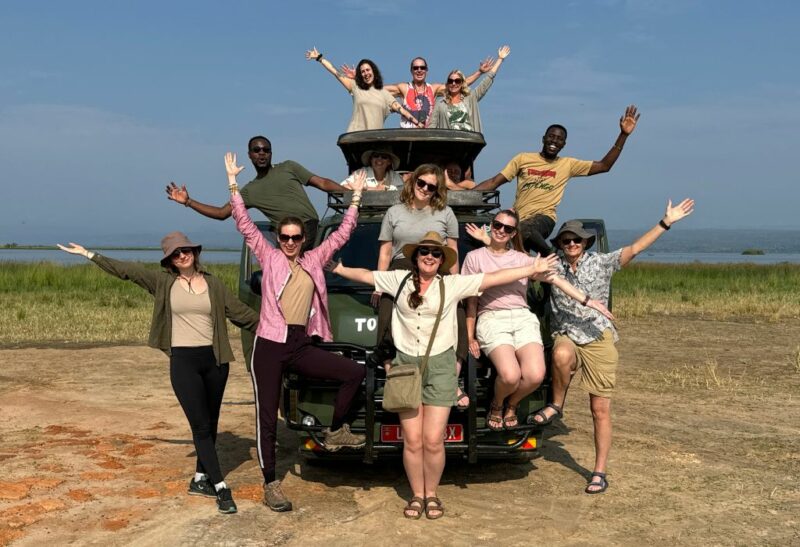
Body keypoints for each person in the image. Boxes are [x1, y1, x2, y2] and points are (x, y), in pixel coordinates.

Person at [328, 232, 559, 519]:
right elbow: (365, 275)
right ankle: (416, 495)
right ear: (415, 257)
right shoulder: (396, 280)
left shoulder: (451, 285)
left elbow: (492, 278)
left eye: (436, 254)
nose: (429, 256)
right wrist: (337, 269)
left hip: (441, 367)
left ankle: (432, 495)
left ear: (442, 260)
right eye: (424, 251)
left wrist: (531, 269)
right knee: (413, 440)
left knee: (434, 439)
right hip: (404, 366)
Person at [57, 234, 260, 515]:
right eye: (175, 254)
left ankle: (200, 479)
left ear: (194, 252)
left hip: (215, 362)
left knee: (211, 422)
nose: (182, 256)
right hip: (184, 361)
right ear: (169, 260)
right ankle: (221, 487)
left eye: (185, 250)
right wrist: (90, 255)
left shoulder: (214, 284)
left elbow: (242, 314)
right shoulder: (163, 283)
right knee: (199, 427)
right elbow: (128, 272)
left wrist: (280, 328)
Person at [226, 153, 368, 512]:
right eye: (285, 237)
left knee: (353, 372)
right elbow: (244, 224)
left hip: (301, 343)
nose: (289, 242)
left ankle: (335, 428)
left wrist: (355, 198)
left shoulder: (314, 260)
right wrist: (232, 184)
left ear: (304, 239)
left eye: (295, 237)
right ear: (277, 237)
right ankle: (271, 483)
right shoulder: (269, 256)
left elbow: (343, 233)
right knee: (267, 418)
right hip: (270, 346)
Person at [531, 198, 695, 495]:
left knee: (600, 409)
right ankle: (557, 404)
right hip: (567, 331)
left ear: (585, 242)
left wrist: (665, 222)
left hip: (597, 335)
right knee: (561, 352)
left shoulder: (602, 262)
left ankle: (598, 471)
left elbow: (635, 249)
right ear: (560, 243)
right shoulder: (551, 265)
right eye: (566, 239)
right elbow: (517, 263)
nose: (571, 244)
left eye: (576, 239)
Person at [462, 211, 613, 430]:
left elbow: (556, 280)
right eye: (498, 225)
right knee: (510, 375)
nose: (501, 231)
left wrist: (588, 300)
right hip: (492, 317)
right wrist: (469, 335)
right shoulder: (475, 258)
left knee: (535, 375)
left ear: (514, 233)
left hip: (522, 317)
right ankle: (497, 405)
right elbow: (471, 301)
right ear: (491, 226)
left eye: (508, 228)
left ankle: (511, 404)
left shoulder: (523, 259)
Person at [472, 106, 642, 255]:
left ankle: (552, 258)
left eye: (559, 139)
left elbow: (605, 165)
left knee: (525, 230)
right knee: (509, 251)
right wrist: (463, 197)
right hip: (519, 220)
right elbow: (494, 181)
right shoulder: (523, 159)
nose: (554, 141)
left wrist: (623, 135)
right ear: (543, 138)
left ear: (563, 144)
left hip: (544, 219)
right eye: (551, 136)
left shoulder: (567, 164)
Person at [372, 164, 469, 408]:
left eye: (432, 186)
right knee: (386, 315)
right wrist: (378, 283)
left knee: (458, 315)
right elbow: (385, 252)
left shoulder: (445, 213)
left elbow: (453, 251)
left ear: (438, 190)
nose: (425, 189)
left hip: (437, 269)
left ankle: (453, 379)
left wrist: (455, 285)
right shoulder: (394, 212)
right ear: (413, 182)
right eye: (421, 183)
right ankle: (393, 376)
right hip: (401, 269)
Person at [166, 135, 343, 250]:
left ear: (271, 153)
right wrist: (189, 202)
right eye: (257, 150)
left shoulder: (289, 167)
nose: (262, 154)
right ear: (250, 155)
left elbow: (323, 182)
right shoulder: (250, 191)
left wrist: (354, 193)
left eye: (266, 150)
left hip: (308, 229)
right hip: (285, 239)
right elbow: (222, 213)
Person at [343, 56, 493, 128]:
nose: (419, 70)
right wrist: (358, 79)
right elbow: (376, 89)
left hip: (428, 133)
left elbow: (458, 84)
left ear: (426, 70)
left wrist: (479, 72)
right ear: (411, 71)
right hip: (407, 133)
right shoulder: (403, 87)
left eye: (422, 68)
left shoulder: (433, 88)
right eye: (416, 68)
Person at [305, 48, 421, 130]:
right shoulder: (355, 87)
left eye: (368, 70)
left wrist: (417, 123)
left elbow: (401, 110)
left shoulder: (384, 94)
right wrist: (320, 58)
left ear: (374, 72)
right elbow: (335, 72)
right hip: (355, 138)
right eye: (363, 71)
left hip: (373, 141)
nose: (366, 73)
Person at [429, 46, 511, 133]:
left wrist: (500, 59)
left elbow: (487, 80)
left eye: (457, 81)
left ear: (461, 83)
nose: (454, 83)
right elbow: (432, 127)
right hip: (449, 145)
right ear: (447, 84)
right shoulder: (440, 104)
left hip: (470, 143)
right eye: (451, 81)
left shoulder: (471, 98)